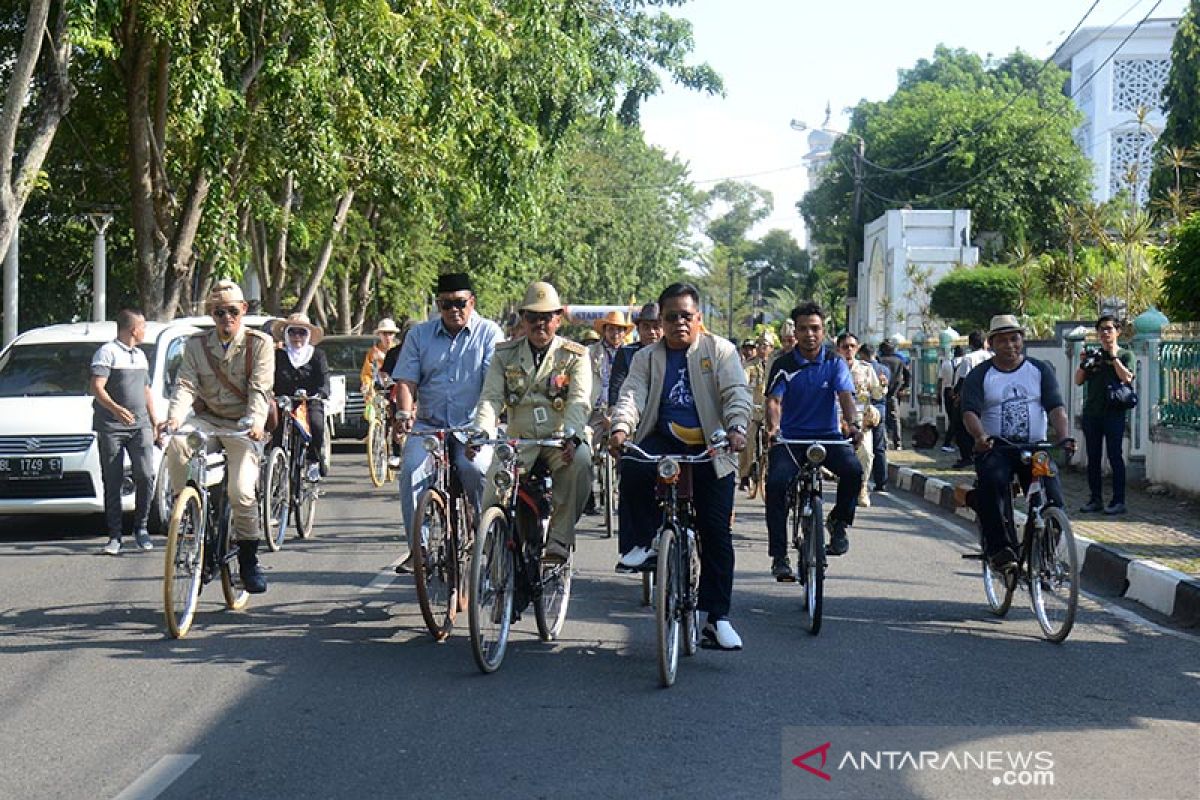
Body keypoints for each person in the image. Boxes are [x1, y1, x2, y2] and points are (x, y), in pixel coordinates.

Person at [609, 282, 751, 651]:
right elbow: (631, 395)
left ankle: (717, 619)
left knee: (716, 532)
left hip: (712, 445)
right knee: (634, 466)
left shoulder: (720, 350)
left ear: (698, 318)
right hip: (662, 441)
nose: (678, 324)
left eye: (686, 316)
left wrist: (736, 428)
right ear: (662, 320)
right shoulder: (646, 357)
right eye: (670, 317)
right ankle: (642, 542)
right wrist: (622, 429)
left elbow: (736, 392)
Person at [163, 280, 274, 593]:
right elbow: (185, 385)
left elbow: (260, 389)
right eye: (219, 312)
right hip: (208, 421)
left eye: (232, 311)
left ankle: (249, 561)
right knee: (179, 442)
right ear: (211, 314)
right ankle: (185, 512)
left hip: (243, 425)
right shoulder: (197, 345)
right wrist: (173, 418)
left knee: (241, 492)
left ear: (244, 310)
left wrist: (254, 421)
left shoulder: (259, 343)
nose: (226, 317)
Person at [472, 281, 593, 564]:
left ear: (559, 318)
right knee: (495, 481)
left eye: (547, 316)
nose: (540, 323)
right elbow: (490, 399)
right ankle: (491, 545)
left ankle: (560, 539)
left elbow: (578, 400)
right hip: (519, 439)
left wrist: (573, 436)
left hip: (558, 438)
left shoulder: (575, 355)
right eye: (532, 317)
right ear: (523, 319)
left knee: (582, 461)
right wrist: (481, 432)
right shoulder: (504, 354)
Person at [393, 273, 502, 572]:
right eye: (446, 304)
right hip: (430, 426)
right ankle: (420, 549)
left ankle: (488, 537)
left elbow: (494, 386)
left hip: (473, 427)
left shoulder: (489, 333)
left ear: (472, 302)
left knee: (476, 469)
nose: (454, 310)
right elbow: (406, 381)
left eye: (460, 303)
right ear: (438, 305)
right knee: (411, 472)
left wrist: (482, 431)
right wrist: (404, 414)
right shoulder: (419, 335)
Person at [960, 314, 1075, 571]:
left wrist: (1064, 436)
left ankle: (1043, 556)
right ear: (991, 343)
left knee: (1053, 497)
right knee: (992, 483)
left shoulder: (1039, 370)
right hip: (997, 448)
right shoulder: (981, 375)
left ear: (1022, 341)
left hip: (1035, 448)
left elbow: (1056, 407)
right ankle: (1001, 550)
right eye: (1003, 341)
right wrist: (980, 437)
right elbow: (970, 412)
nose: (1010, 345)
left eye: (1015, 339)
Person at [764, 302, 863, 580]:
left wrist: (853, 425)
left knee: (854, 470)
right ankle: (779, 556)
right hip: (790, 440)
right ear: (795, 331)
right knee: (776, 485)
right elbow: (774, 400)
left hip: (829, 439)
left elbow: (846, 397)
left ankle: (838, 521)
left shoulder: (834, 362)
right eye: (804, 328)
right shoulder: (783, 364)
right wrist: (773, 429)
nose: (810, 334)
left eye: (815, 328)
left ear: (824, 331)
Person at [90, 309, 158, 555]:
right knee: (113, 479)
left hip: (140, 425)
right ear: (133, 329)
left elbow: (147, 390)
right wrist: (116, 409)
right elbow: (97, 387)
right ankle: (115, 535)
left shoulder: (140, 355)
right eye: (143, 326)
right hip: (111, 427)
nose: (144, 331)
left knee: (146, 474)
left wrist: (155, 420)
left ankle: (141, 528)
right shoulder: (107, 352)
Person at [1075, 314, 1135, 515]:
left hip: (1114, 413)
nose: (1105, 333)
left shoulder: (1126, 355)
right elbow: (1078, 380)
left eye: (1109, 329)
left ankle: (1119, 501)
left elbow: (1126, 377)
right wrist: (1084, 363)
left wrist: (1113, 356)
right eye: (1101, 329)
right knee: (1093, 457)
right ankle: (1095, 499)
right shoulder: (1095, 355)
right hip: (1092, 413)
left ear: (1118, 331)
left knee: (1114, 456)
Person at [270, 313, 330, 480]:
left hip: (310, 401)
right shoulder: (278, 355)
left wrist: (320, 393)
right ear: (287, 334)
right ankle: (274, 463)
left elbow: (324, 380)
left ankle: (313, 460)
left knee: (317, 424)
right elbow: (268, 378)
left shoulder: (317, 355)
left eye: (302, 333)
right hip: (285, 402)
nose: (297, 337)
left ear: (308, 335)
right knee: (273, 425)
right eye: (293, 332)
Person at [836, 332, 883, 507]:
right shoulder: (832, 367)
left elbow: (876, 393)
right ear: (838, 348)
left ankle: (862, 487)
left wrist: (883, 385)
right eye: (845, 346)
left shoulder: (865, 369)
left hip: (860, 420)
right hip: (836, 419)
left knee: (866, 454)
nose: (849, 350)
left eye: (852, 346)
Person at [607, 302, 663, 407]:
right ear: (638, 330)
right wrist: (613, 409)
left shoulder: (673, 353)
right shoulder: (626, 353)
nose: (651, 332)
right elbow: (616, 387)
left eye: (656, 327)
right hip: (633, 408)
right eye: (646, 327)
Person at [952, 330, 991, 467]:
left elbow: (963, 379)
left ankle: (967, 456)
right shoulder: (992, 356)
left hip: (970, 396)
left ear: (970, 343)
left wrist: (956, 394)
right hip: (989, 395)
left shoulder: (969, 358)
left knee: (962, 427)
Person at [738, 333, 771, 491]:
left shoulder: (776, 364)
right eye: (760, 345)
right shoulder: (750, 366)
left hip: (770, 411)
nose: (762, 349)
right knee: (748, 439)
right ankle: (744, 475)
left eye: (766, 345)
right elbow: (744, 382)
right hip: (753, 409)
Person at [859, 343, 891, 493]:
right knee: (879, 447)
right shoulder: (884, 369)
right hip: (880, 409)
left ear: (863, 354)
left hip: (864, 411)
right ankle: (881, 481)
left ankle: (860, 480)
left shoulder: (863, 368)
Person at [877, 340, 909, 450]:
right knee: (895, 419)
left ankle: (884, 442)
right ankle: (898, 443)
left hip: (880, 392)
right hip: (894, 393)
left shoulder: (879, 361)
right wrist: (904, 387)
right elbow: (907, 375)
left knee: (882, 418)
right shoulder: (899, 361)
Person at [361, 318, 400, 393]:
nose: (387, 337)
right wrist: (366, 384)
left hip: (396, 393)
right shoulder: (373, 353)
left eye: (390, 333)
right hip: (378, 393)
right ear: (379, 334)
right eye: (384, 333)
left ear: (394, 335)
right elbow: (367, 373)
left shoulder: (399, 351)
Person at [938, 345, 965, 451]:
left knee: (952, 418)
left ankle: (955, 442)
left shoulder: (945, 363)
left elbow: (940, 380)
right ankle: (948, 442)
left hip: (947, 390)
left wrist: (938, 394)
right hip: (958, 391)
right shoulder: (965, 363)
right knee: (957, 419)